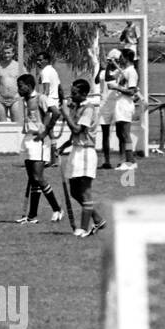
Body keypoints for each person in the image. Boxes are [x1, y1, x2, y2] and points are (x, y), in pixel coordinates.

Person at [59, 79, 107, 238]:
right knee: (74, 191)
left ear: (84, 94)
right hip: (75, 150)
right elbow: (74, 134)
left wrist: (66, 114)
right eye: (71, 92)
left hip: (86, 152)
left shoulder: (89, 109)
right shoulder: (77, 107)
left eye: (75, 93)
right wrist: (64, 146)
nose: (71, 96)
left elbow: (78, 129)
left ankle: (84, 228)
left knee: (85, 193)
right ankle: (98, 220)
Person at [16, 73, 64, 225]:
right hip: (28, 139)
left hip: (39, 141)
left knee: (38, 177)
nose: (19, 88)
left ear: (29, 86)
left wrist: (46, 131)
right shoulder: (24, 100)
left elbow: (56, 112)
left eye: (21, 86)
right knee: (32, 180)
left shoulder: (41, 98)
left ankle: (57, 209)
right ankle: (31, 216)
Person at [110, 47, 139, 170]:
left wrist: (116, 88)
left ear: (127, 58)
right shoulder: (125, 71)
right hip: (119, 104)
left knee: (125, 134)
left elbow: (132, 91)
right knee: (119, 134)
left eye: (121, 57)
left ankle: (130, 161)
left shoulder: (131, 72)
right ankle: (124, 160)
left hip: (125, 104)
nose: (120, 59)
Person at [97, 50, 121, 169]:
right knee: (105, 135)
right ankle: (107, 161)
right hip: (104, 106)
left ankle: (122, 160)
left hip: (116, 105)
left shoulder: (119, 72)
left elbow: (108, 78)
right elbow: (97, 80)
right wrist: (100, 68)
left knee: (120, 133)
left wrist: (106, 67)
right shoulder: (103, 71)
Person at [0, 44, 22, 122]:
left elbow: (28, 81)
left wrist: (21, 94)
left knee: (16, 126)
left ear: (13, 53)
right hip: (1, 99)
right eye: (5, 53)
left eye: (8, 53)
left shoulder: (18, 66)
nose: (6, 55)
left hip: (15, 99)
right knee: (2, 125)